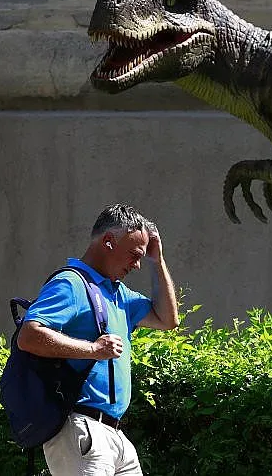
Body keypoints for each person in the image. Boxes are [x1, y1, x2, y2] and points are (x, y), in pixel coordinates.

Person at [17, 203, 179, 475]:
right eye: (134, 254)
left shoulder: (119, 294)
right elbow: (29, 336)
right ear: (108, 242)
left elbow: (168, 320)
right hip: (82, 428)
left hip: (115, 435)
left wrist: (157, 260)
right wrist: (93, 349)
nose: (137, 265)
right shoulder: (71, 284)